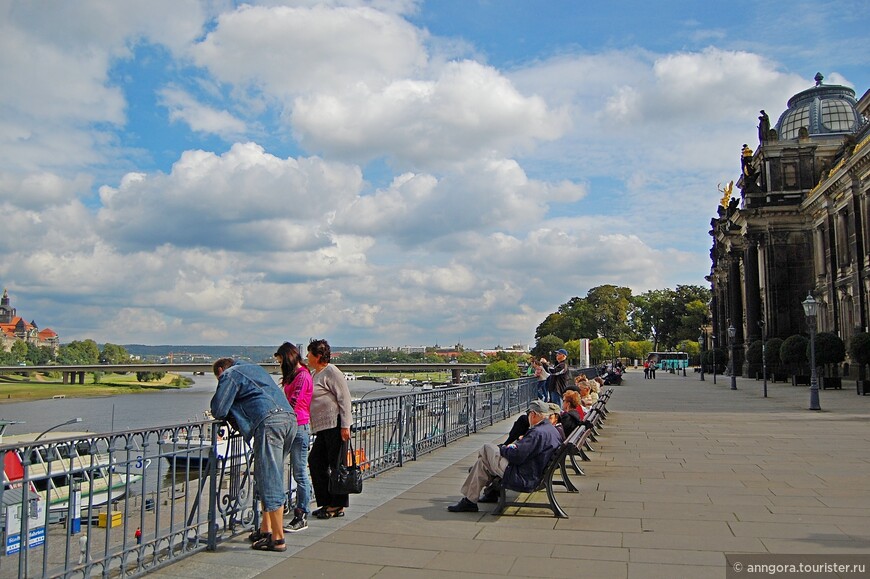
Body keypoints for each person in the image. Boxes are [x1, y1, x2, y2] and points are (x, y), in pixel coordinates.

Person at [211, 358, 296, 552]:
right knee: (267, 475)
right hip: (289, 420)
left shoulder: (230, 374)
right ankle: (265, 529)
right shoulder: (254, 368)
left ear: (222, 370)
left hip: (269, 423)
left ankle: (278, 538)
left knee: (270, 480)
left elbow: (219, 409)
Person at [448, 399, 563, 513]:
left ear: (533, 414)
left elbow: (517, 456)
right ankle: (470, 501)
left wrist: (503, 449)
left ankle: (471, 499)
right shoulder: (550, 430)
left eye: (528, 414)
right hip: (531, 472)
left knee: (486, 448)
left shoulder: (538, 433)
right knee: (482, 463)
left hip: (522, 476)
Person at [307, 339, 354, 519]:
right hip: (322, 427)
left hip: (335, 425)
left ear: (318, 356)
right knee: (316, 462)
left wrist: (345, 425)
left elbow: (344, 398)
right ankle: (327, 502)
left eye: (309, 353)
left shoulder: (331, 371)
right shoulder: (314, 374)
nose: (307, 356)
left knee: (336, 466)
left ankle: (337, 505)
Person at [275, 341, 314, 533]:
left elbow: (293, 402)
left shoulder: (303, 377)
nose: (280, 365)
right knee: (281, 468)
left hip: (298, 428)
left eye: (281, 360)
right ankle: (278, 509)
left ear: (288, 358)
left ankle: (302, 514)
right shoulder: (294, 376)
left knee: (299, 472)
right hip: (289, 427)